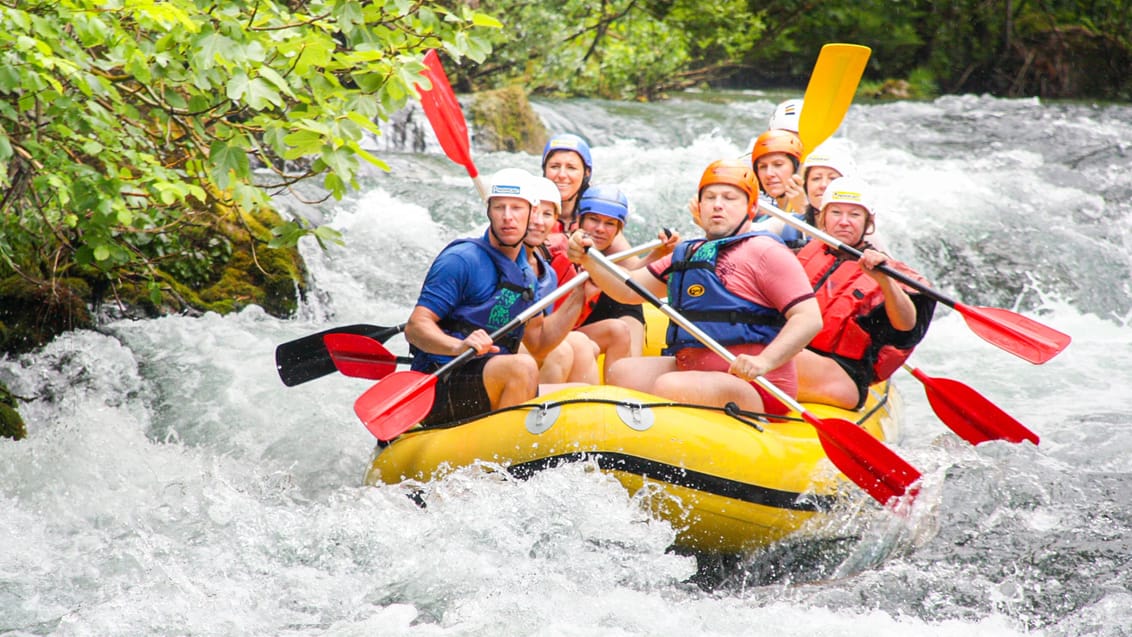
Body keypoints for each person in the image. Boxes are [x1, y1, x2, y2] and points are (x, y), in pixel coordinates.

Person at [567, 159, 822, 415]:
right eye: (709, 197)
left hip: (755, 384)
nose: (717, 205)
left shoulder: (766, 251)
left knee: (671, 386)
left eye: (729, 198)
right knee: (622, 373)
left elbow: (808, 318)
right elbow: (629, 290)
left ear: (752, 207)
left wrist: (764, 361)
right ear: (699, 206)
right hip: (695, 369)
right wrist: (588, 259)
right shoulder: (691, 252)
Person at [405, 169, 587, 425]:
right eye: (499, 208)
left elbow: (540, 343)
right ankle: (501, 457)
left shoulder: (526, 274)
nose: (507, 218)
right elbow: (416, 327)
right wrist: (457, 346)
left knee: (580, 397)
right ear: (488, 211)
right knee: (522, 367)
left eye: (516, 208)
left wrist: (581, 289)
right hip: (443, 380)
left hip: (487, 378)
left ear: (532, 213)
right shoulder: (461, 260)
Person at [793, 176, 936, 410]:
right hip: (798, 355)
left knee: (765, 353)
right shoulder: (803, 254)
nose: (844, 222)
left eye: (855, 215)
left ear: (868, 223)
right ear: (823, 218)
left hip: (842, 376)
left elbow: (906, 325)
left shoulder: (884, 272)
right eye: (836, 212)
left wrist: (885, 281)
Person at [560, 185, 648, 378]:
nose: (600, 229)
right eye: (593, 220)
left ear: (618, 231)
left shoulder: (612, 249)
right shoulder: (560, 248)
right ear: (579, 220)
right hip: (556, 332)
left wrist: (661, 253)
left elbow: (638, 277)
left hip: (587, 325)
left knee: (619, 326)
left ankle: (622, 392)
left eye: (609, 224)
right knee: (588, 345)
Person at [522, 175, 600, 384]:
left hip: (527, 344)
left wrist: (582, 288)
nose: (538, 221)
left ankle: (588, 409)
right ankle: (537, 412)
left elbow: (542, 333)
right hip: (490, 353)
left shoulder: (547, 270)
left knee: (582, 343)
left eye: (547, 214)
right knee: (562, 351)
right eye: (533, 212)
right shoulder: (498, 257)